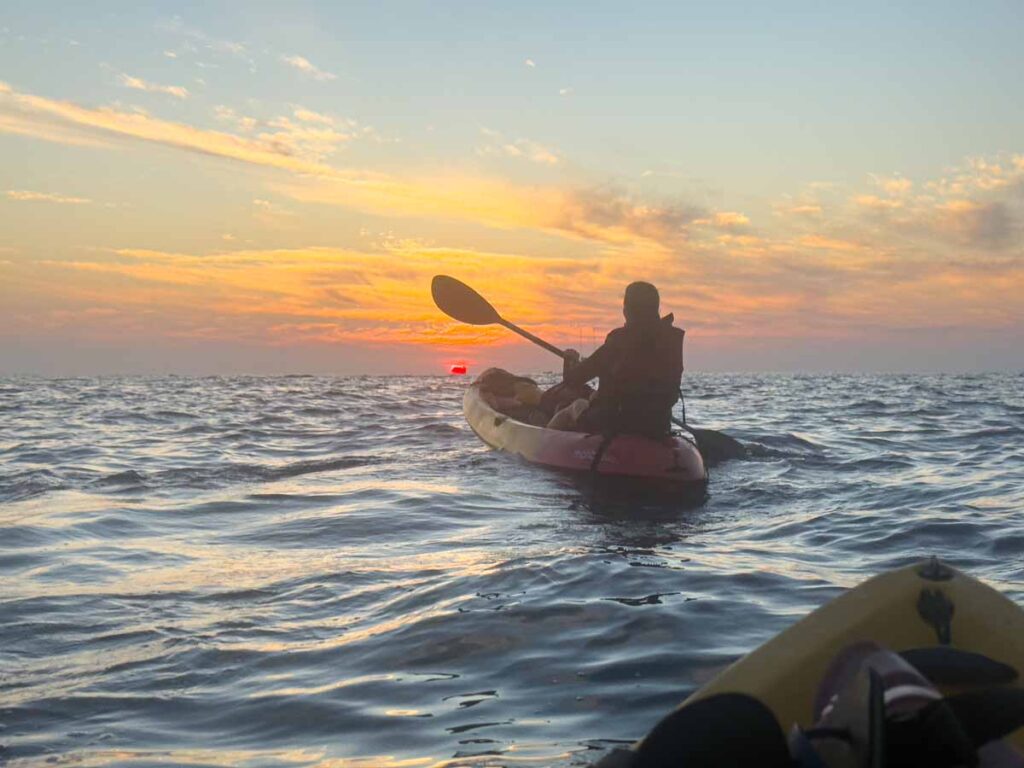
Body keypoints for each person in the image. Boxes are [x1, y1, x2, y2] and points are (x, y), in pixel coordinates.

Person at [542, 281, 684, 438]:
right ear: (657, 309)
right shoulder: (671, 340)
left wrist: (569, 360)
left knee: (576, 406)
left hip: (614, 423)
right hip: (658, 424)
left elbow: (573, 380)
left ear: (627, 310)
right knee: (593, 400)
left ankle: (541, 443)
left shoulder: (619, 340)